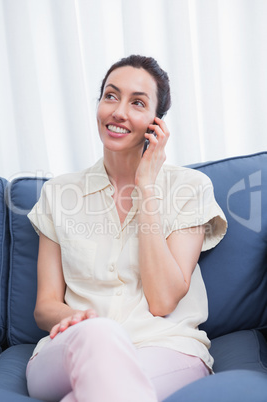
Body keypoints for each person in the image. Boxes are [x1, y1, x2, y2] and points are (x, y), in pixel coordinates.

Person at [26, 55, 227, 402]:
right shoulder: (58, 193)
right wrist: (79, 319)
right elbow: (45, 306)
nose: (118, 111)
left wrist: (147, 187)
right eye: (110, 96)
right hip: (74, 346)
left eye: (137, 103)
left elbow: (163, 299)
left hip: (164, 347)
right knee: (100, 336)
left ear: (156, 123)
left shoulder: (190, 188)